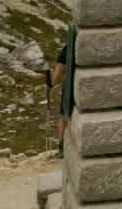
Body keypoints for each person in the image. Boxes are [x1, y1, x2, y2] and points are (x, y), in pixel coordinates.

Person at [51, 26, 78, 154]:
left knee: (64, 116)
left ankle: (62, 146)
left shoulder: (68, 48)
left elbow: (58, 71)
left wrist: (51, 83)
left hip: (70, 87)